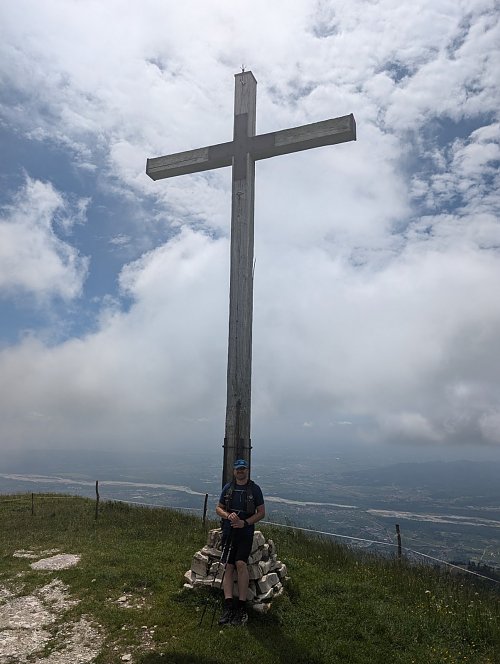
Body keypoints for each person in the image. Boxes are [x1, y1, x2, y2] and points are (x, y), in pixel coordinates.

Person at [215, 458, 265, 626]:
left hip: (245, 532)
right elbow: (218, 508)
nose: (240, 471)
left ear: (247, 470)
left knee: (240, 564)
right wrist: (228, 516)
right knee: (228, 566)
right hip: (229, 531)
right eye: (238, 469)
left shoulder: (255, 489)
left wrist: (245, 522)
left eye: (243, 468)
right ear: (234, 471)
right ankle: (229, 605)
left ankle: (241, 606)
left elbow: (261, 512)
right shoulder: (228, 488)